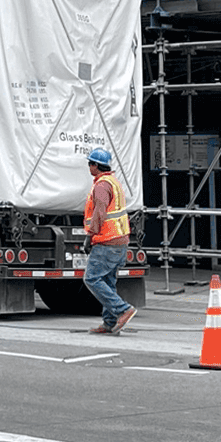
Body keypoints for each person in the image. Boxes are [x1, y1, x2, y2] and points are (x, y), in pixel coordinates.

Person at [81, 143, 135, 336]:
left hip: (107, 241)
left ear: (96, 165)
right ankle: (109, 322)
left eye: (90, 164)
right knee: (108, 281)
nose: (89, 167)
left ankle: (122, 310)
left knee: (92, 278)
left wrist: (90, 236)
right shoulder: (113, 182)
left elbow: (100, 212)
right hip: (119, 240)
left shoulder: (102, 185)